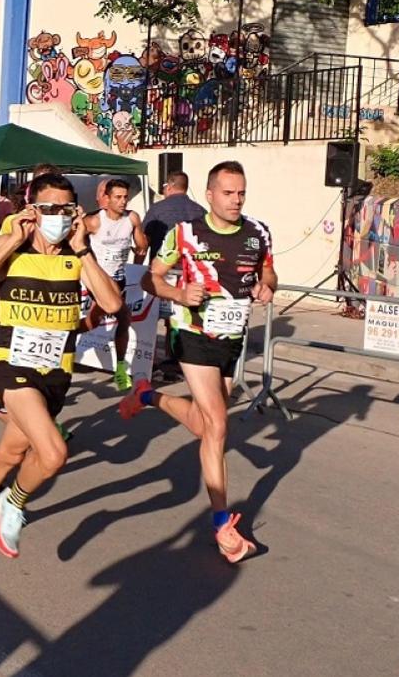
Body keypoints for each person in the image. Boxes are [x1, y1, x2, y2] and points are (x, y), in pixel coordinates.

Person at [0, 172, 123, 562]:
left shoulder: (78, 256)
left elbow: (111, 304)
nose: (58, 216)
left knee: (11, 453)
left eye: (66, 208)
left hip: (56, 372)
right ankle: (15, 502)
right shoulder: (15, 249)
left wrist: (83, 251)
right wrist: (10, 240)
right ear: (33, 211)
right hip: (11, 364)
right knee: (54, 452)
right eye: (49, 208)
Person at [122, 160, 276, 564]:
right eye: (228, 193)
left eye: (241, 192)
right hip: (191, 335)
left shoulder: (257, 232)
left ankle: (148, 396)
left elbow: (269, 273)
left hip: (231, 341)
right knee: (219, 425)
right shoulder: (186, 233)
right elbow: (149, 278)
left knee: (204, 424)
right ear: (209, 195)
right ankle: (223, 523)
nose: (236, 200)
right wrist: (178, 295)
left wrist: (265, 287)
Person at [83, 178, 149, 391]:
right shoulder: (94, 221)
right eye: (118, 197)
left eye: (125, 198)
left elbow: (142, 246)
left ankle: (65, 338)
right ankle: (121, 368)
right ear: (107, 199)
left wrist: (136, 268)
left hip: (119, 278)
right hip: (99, 280)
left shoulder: (132, 219)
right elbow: (74, 242)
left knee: (94, 322)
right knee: (123, 316)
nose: (123, 202)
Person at [141, 171, 207, 378]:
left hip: (161, 271)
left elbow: (145, 237)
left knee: (151, 317)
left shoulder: (158, 209)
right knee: (178, 319)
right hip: (188, 273)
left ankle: (149, 360)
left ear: (168, 187)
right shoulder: (200, 211)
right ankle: (176, 360)